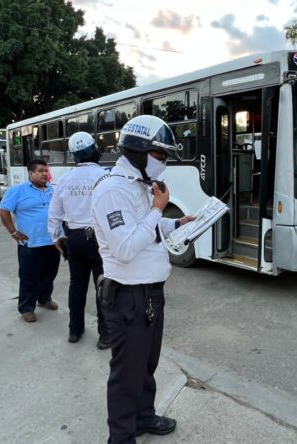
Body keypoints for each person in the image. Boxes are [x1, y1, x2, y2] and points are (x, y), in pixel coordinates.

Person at [91, 115, 195, 443]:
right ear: (138, 151)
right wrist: (157, 209)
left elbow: (147, 231)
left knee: (147, 364)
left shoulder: (139, 185)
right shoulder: (112, 190)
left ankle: (143, 417)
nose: (163, 164)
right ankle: (121, 437)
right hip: (127, 296)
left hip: (151, 293)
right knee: (127, 374)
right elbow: (124, 247)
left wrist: (176, 224)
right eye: (160, 156)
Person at [47, 132, 110, 347]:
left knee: (77, 286)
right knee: (103, 287)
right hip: (100, 239)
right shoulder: (105, 176)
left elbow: (54, 213)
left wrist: (56, 237)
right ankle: (105, 335)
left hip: (73, 238)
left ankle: (75, 331)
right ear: (94, 150)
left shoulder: (64, 179)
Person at [0, 159, 60, 322]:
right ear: (30, 173)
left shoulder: (52, 190)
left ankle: (44, 299)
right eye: (40, 171)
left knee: (50, 274)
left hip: (53, 242)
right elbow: (4, 211)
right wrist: (13, 232)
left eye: (45, 171)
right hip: (30, 243)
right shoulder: (17, 191)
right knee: (29, 276)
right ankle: (26, 307)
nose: (44, 174)